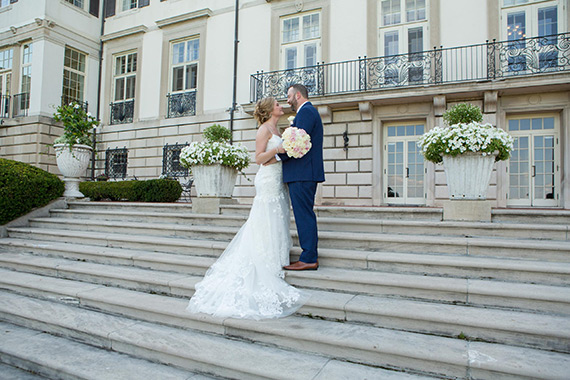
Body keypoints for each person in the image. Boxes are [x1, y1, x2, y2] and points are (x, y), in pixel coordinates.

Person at [186, 97, 309, 320]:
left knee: (278, 217)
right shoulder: (263, 129)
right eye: (277, 104)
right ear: (270, 110)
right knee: (266, 218)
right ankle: (266, 261)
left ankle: (278, 256)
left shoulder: (278, 127)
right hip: (268, 179)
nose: (281, 106)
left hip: (279, 178)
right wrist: (279, 149)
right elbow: (259, 158)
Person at [279, 84, 325, 271]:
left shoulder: (306, 112)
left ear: (298, 95)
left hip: (303, 173)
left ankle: (308, 257)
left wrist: (277, 155)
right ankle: (308, 256)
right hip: (303, 173)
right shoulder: (306, 112)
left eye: (289, 96)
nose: (287, 100)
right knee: (303, 215)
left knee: (304, 216)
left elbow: (298, 143)